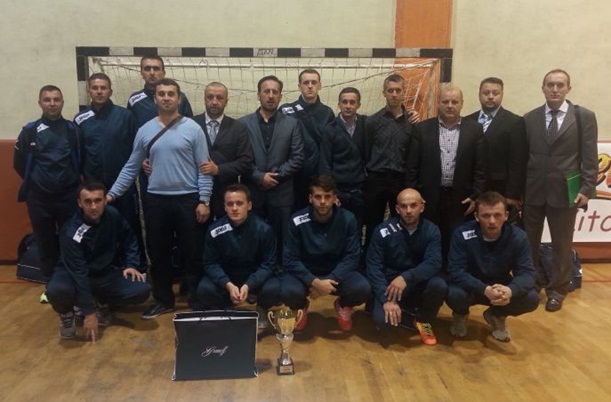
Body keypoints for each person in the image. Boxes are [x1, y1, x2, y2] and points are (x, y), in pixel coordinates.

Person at [107, 78, 213, 319]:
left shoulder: (193, 129)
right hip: (155, 201)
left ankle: (197, 301)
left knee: (193, 253)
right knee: (158, 254)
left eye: (171, 94)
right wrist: (112, 194)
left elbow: (204, 168)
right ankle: (164, 300)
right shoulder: (144, 130)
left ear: (179, 98)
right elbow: (131, 166)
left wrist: (204, 200)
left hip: (188, 200)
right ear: (155, 98)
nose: (166, 97)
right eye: (162, 94)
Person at [523, 69, 598, 312]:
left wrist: (587, 188)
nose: (555, 89)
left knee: (562, 244)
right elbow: (523, 156)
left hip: (566, 191)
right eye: (550, 85)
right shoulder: (529, 118)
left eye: (560, 85)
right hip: (533, 190)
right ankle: (530, 285)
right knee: (529, 243)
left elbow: (589, 157)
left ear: (568, 88)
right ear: (543, 88)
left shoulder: (583, 117)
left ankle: (558, 290)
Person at [46, 181, 150, 340]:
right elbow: (79, 273)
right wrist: (89, 313)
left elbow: (129, 237)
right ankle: (67, 314)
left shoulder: (113, 215)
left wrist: (131, 264)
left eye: (98, 200)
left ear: (105, 201)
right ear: (79, 203)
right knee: (56, 290)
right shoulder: (72, 232)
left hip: (103, 273)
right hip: (72, 275)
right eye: (88, 201)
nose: (93, 206)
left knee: (140, 289)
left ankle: (100, 301)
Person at [406, 84, 486, 264]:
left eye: (454, 102)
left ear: (462, 103)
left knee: (456, 238)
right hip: (429, 195)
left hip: (462, 197)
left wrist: (476, 196)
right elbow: (412, 166)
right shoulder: (422, 129)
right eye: (445, 101)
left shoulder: (475, 130)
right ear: (438, 103)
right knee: (430, 237)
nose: (450, 106)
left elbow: (480, 167)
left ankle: (453, 272)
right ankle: (430, 270)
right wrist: (415, 195)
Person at [447, 191, 540, 342]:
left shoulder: (518, 237)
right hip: (470, 286)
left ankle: (496, 315)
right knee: (453, 293)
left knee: (531, 298)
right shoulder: (462, 234)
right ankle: (460, 314)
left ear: (506, 216)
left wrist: (511, 290)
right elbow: (456, 271)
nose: (492, 221)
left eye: (497, 215)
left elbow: (527, 273)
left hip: (500, 287)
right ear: (477, 216)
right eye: (486, 216)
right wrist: (483, 289)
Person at [282, 175, 371, 332]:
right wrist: (314, 282)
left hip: (337, 273)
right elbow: (290, 259)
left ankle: (343, 305)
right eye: (318, 197)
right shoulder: (297, 221)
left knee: (363, 288)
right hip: (307, 272)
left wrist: (329, 282)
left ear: (335, 198)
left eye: (327, 197)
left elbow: (352, 256)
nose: (323, 201)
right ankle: (300, 307)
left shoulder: (348, 219)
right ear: (310, 198)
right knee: (287, 290)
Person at [75, 73, 145, 268]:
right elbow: (78, 152)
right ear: (89, 91)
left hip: (123, 185)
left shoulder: (126, 116)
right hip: (94, 187)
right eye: (95, 88)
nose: (99, 91)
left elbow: (137, 149)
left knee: (130, 225)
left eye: (103, 88)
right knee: (99, 229)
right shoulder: (80, 119)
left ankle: (137, 267)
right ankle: (105, 267)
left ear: (110, 91)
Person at [13, 85, 82, 279]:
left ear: (62, 103)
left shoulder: (73, 130)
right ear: (40, 103)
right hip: (39, 198)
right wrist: (38, 181)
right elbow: (18, 163)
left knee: (71, 240)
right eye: (47, 100)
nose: (52, 104)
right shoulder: (29, 131)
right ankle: (50, 284)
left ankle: (70, 281)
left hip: (68, 196)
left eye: (56, 99)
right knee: (45, 242)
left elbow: (81, 159)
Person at [366, 188, 446, 345]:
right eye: (403, 206)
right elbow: (374, 267)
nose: (408, 211)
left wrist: (406, 278)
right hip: (390, 287)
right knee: (383, 323)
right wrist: (385, 299)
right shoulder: (382, 231)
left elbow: (434, 262)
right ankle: (401, 312)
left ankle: (423, 320)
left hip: (415, 282)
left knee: (439, 285)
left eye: (413, 205)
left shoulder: (432, 230)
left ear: (422, 207)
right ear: (397, 209)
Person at [195, 184, 281, 319]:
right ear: (224, 207)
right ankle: (226, 307)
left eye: (239, 203)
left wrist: (249, 285)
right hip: (228, 277)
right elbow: (210, 263)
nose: (234, 208)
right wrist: (227, 284)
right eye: (230, 204)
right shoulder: (214, 230)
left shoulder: (264, 230)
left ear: (249, 205)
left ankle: (262, 308)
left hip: (254, 276)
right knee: (204, 289)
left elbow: (269, 264)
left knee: (274, 287)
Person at [239, 75, 304, 251]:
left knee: (282, 239)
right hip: (253, 192)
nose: (270, 95)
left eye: (275, 92)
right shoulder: (242, 124)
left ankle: (281, 266)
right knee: (253, 239)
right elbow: (240, 157)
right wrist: (259, 176)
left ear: (280, 96)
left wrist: (274, 177)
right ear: (258, 95)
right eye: (266, 91)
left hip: (281, 193)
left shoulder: (292, 124)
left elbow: (298, 157)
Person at [363, 74, 417, 248]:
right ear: (384, 93)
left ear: (404, 92)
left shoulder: (412, 122)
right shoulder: (372, 121)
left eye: (398, 90)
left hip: (400, 180)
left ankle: (398, 257)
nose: (394, 94)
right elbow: (366, 150)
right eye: (390, 90)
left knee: (401, 223)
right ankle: (370, 258)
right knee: (373, 223)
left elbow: (413, 154)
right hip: (376, 179)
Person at [465, 77, 527, 223]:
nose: (491, 96)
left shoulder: (514, 122)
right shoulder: (467, 121)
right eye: (486, 92)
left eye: (495, 93)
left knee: (497, 226)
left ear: (502, 94)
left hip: (501, 187)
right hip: (472, 187)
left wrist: (512, 194)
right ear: (479, 94)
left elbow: (517, 161)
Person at [192, 82, 253, 219]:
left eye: (219, 98)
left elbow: (245, 161)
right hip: (195, 193)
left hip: (227, 194)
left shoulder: (238, 127)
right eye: (210, 97)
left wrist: (218, 169)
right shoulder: (191, 124)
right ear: (204, 99)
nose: (214, 102)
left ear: (226, 101)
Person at [280, 69, 335, 210]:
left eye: (314, 82)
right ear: (299, 86)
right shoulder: (287, 110)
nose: (310, 86)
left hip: (318, 176)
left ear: (320, 85)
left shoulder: (327, 112)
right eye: (306, 83)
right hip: (293, 177)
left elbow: (329, 147)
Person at [319, 87, 367, 234]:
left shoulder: (366, 124)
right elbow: (325, 164)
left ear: (358, 105)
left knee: (357, 230)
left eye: (352, 102)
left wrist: (410, 114)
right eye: (344, 102)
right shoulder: (330, 129)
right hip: (338, 191)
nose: (348, 106)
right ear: (339, 104)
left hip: (359, 191)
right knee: (336, 230)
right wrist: (331, 193)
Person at [127, 55, 193, 128]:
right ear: (141, 73)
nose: (152, 73)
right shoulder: (134, 100)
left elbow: (189, 125)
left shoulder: (179, 98)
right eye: (147, 69)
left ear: (163, 73)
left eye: (156, 69)